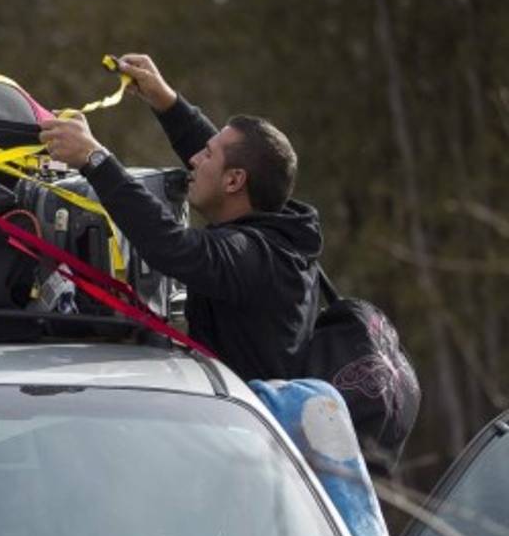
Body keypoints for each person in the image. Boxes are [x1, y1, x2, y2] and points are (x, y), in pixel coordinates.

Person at [38, 54, 322, 381]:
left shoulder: (255, 257)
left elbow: (172, 245)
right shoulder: (276, 220)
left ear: (234, 181)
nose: (194, 160)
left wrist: (95, 159)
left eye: (207, 155)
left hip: (238, 426)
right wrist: (165, 100)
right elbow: (227, 157)